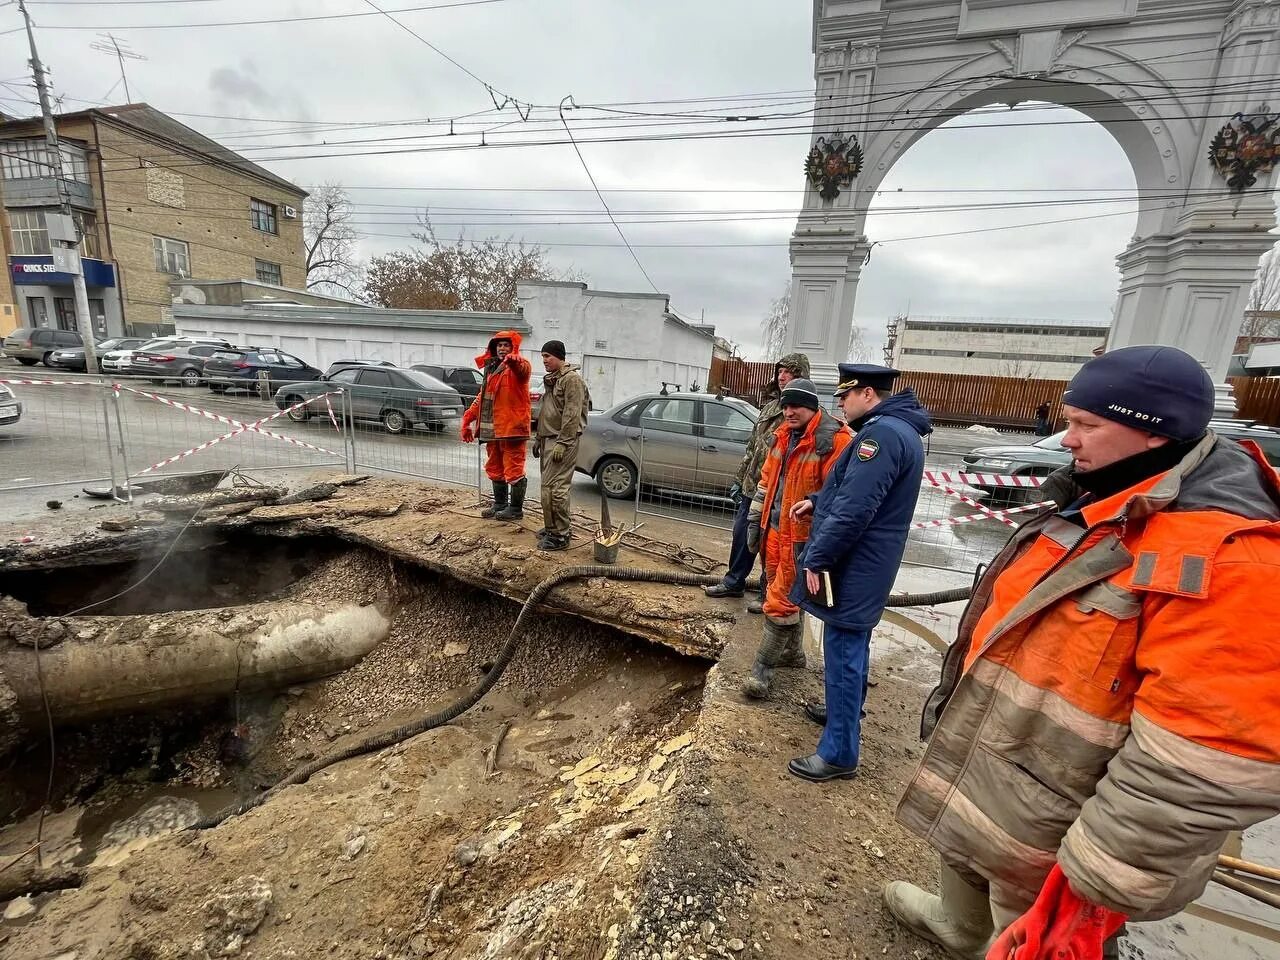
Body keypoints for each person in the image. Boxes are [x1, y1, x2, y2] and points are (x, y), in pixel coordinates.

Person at [884, 345, 1280, 960]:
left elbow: (1202, 765)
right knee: (967, 847)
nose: (1066, 439)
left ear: (1156, 434)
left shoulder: (1231, 558)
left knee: (1033, 934)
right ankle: (959, 927)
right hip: (1005, 764)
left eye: (1088, 425)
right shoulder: (1091, 500)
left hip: (1062, 817)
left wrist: (1093, 882)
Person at [787, 364, 931, 782]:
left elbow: (856, 509)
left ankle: (839, 752)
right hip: (871, 558)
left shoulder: (882, 435)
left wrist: (817, 558)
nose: (840, 405)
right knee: (854, 643)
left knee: (844, 647)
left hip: (858, 560)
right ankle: (841, 713)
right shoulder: (898, 430)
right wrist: (818, 499)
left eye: (845, 397)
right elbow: (856, 490)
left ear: (868, 394)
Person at [741, 378, 851, 699]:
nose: (788, 411)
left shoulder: (832, 442)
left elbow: (840, 495)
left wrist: (824, 544)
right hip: (774, 531)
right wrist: (754, 518)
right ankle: (792, 653)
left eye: (796, 406)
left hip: (802, 538)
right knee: (781, 589)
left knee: (780, 600)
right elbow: (766, 480)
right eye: (786, 405)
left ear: (812, 406)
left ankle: (762, 672)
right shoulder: (783, 437)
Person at [703, 353, 811, 611]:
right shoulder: (772, 407)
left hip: (779, 492)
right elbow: (752, 448)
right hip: (755, 487)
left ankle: (768, 593)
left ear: (802, 378)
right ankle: (734, 582)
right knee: (742, 535)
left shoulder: (803, 412)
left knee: (771, 544)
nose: (783, 377)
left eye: (790, 373)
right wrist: (740, 480)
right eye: (781, 372)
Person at [461, 330, 532, 521]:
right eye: (499, 345)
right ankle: (500, 504)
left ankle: (516, 510)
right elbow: (482, 398)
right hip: (493, 429)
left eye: (506, 345)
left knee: (514, 469)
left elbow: (523, 369)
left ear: (513, 347)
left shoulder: (518, 367)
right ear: (493, 348)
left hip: (512, 429)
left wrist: (515, 360)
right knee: (494, 467)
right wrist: (468, 418)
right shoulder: (491, 370)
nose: (502, 348)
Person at [533, 340, 590, 551]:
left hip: (562, 441)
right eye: (543, 357)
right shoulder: (554, 380)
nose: (545, 361)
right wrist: (539, 438)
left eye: (548, 356)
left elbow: (572, 414)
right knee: (547, 488)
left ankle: (560, 535)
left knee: (555, 489)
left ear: (559, 356)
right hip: (550, 439)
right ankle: (552, 528)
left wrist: (563, 443)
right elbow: (548, 412)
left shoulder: (571, 380)